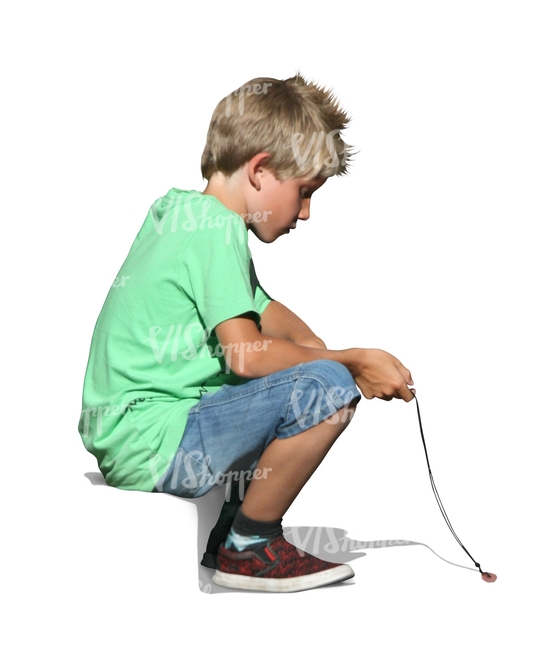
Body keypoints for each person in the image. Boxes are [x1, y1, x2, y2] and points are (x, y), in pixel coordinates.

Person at [78, 74, 415, 593]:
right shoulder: (214, 229)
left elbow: (275, 322)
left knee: (313, 373)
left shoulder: (186, 217)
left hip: (131, 432)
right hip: (151, 439)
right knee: (325, 385)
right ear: (260, 170)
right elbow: (246, 357)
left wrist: (329, 356)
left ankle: (226, 535)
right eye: (303, 192)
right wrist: (349, 366)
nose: (305, 213)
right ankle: (249, 545)